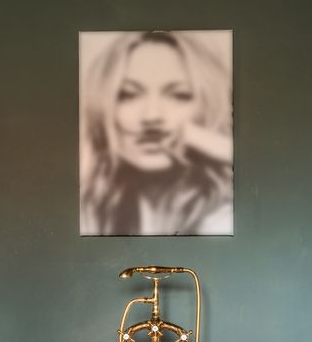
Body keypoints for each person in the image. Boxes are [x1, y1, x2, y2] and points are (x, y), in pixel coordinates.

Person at [79, 30, 233, 236]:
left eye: (180, 95)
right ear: (103, 108)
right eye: (128, 95)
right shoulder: (87, 214)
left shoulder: (227, 216)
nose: (152, 116)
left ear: (209, 107)